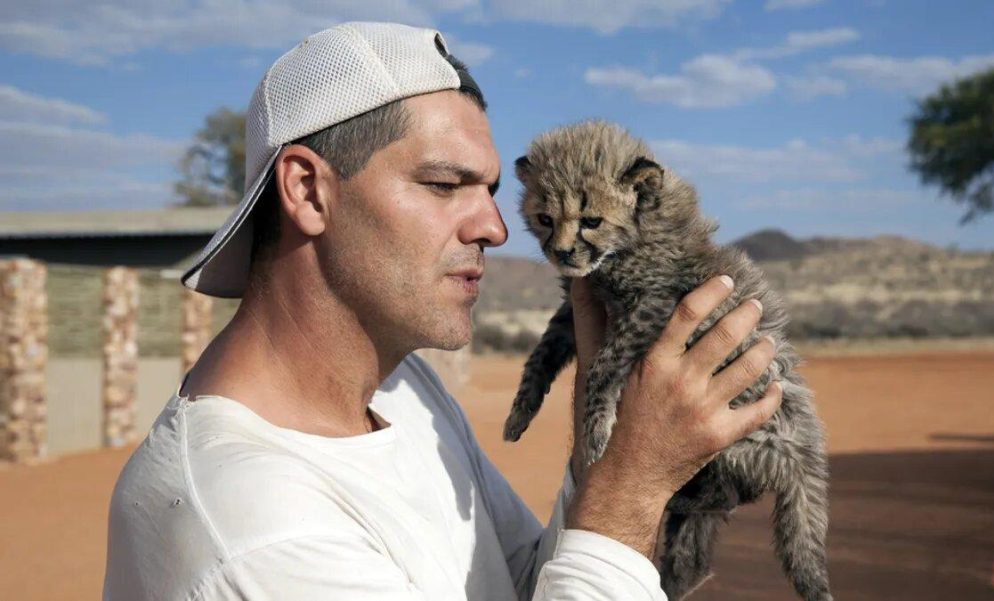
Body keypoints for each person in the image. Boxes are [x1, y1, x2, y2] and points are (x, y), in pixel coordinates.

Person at [102, 22, 782, 601]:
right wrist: (633, 484)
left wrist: (606, 425)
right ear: (308, 191)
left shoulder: (403, 389)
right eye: (442, 184)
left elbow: (519, 581)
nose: (494, 226)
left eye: (488, 189)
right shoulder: (248, 522)